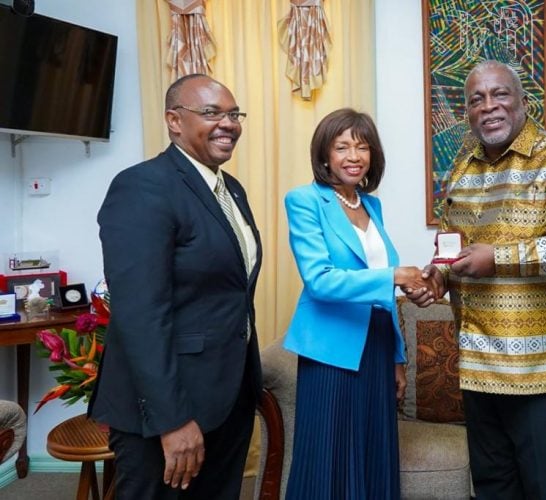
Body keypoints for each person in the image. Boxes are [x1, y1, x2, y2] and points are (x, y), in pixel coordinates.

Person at [408, 60, 546, 499]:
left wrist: (502, 259)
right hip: (479, 369)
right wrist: (440, 277)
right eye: (476, 99)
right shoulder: (463, 166)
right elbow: (459, 248)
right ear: (466, 111)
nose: (489, 106)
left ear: (524, 101)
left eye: (500, 94)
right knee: (493, 490)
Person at [89, 74, 263, 500]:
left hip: (227, 395)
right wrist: (172, 419)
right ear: (173, 120)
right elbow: (140, 314)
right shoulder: (143, 186)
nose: (228, 123)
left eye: (233, 113)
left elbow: (230, 291)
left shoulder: (231, 190)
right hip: (169, 409)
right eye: (211, 113)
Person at [282, 108, 434, 499]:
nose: (354, 156)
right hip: (332, 352)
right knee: (327, 458)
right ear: (325, 155)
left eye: (363, 147)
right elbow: (320, 281)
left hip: (378, 347)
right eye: (343, 146)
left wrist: (398, 355)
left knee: (373, 452)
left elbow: (377, 288)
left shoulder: (371, 205)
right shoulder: (305, 200)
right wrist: (396, 276)